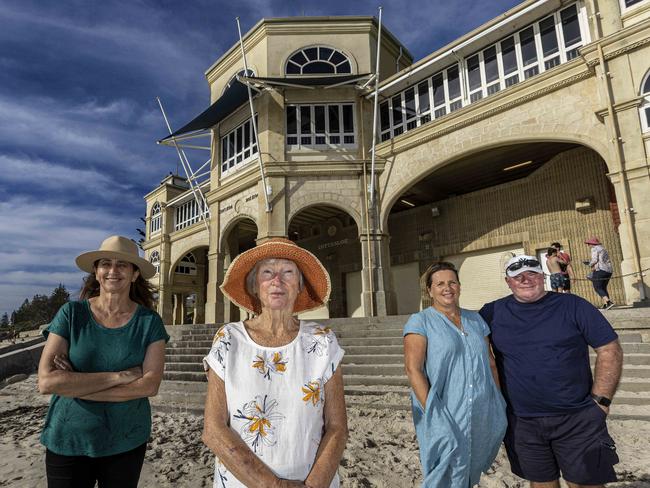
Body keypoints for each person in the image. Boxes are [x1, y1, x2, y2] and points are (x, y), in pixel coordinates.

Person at [202, 238, 348, 487]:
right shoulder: (229, 339)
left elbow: (337, 427)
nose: (277, 281)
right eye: (267, 272)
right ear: (255, 286)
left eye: (288, 272)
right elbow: (213, 429)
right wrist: (273, 485)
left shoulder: (323, 341)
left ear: (300, 286)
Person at [479, 255, 623, 488]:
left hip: (577, 419)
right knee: (541, 483)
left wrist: (601, 400)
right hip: (522, 422)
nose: (525, 280)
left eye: (532, 273)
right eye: (518, 276)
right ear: (508, 281)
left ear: (543, 276)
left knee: (587, 483)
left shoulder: (574, 306)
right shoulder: (492, 312)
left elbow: (609, 349)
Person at [38, 235, 169, 488]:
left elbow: (149, 386)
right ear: (96, 273)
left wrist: (74, 386)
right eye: (105, 263)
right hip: (68, 440)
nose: (113, 270)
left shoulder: (149, 323)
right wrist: (119, 377)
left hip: (126, 440)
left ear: (134, 275)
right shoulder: (71, 314)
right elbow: (46, 381)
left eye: (122, 264)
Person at [403, 262, 506, 487]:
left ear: (459, 286)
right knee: (445, 469)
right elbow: (413, 369)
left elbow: (490, 363)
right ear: (430, 290)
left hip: (480, 409)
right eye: (439, 284)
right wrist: (433, 413)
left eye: (452, 282)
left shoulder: (476, 320)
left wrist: (498, 402)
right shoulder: (420, 321)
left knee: (470, 468)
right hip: (444, 410)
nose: (447, 288)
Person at [586, 237, 615, 309]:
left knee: (597, 287)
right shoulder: (603, 248)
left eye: (589, 243)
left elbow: (595, 260)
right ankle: (606, 304)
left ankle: (608, 302)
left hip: (600, 270)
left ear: (592, 243)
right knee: (603, 287)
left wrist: (589, 264)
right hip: (608, 270)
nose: (588, 245)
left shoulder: (594, 249)